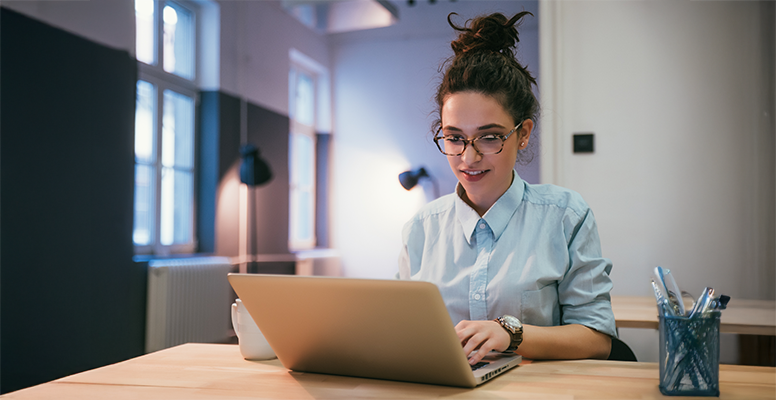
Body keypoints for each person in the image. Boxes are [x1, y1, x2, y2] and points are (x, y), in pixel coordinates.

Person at [398, 12, 616, 365]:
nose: (468, 157)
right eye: (454, 138)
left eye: (489, 137)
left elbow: (596, 338)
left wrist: (513, 333)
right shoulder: (422, 228)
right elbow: (402, 329)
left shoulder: (565, 216)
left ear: (523, 134)